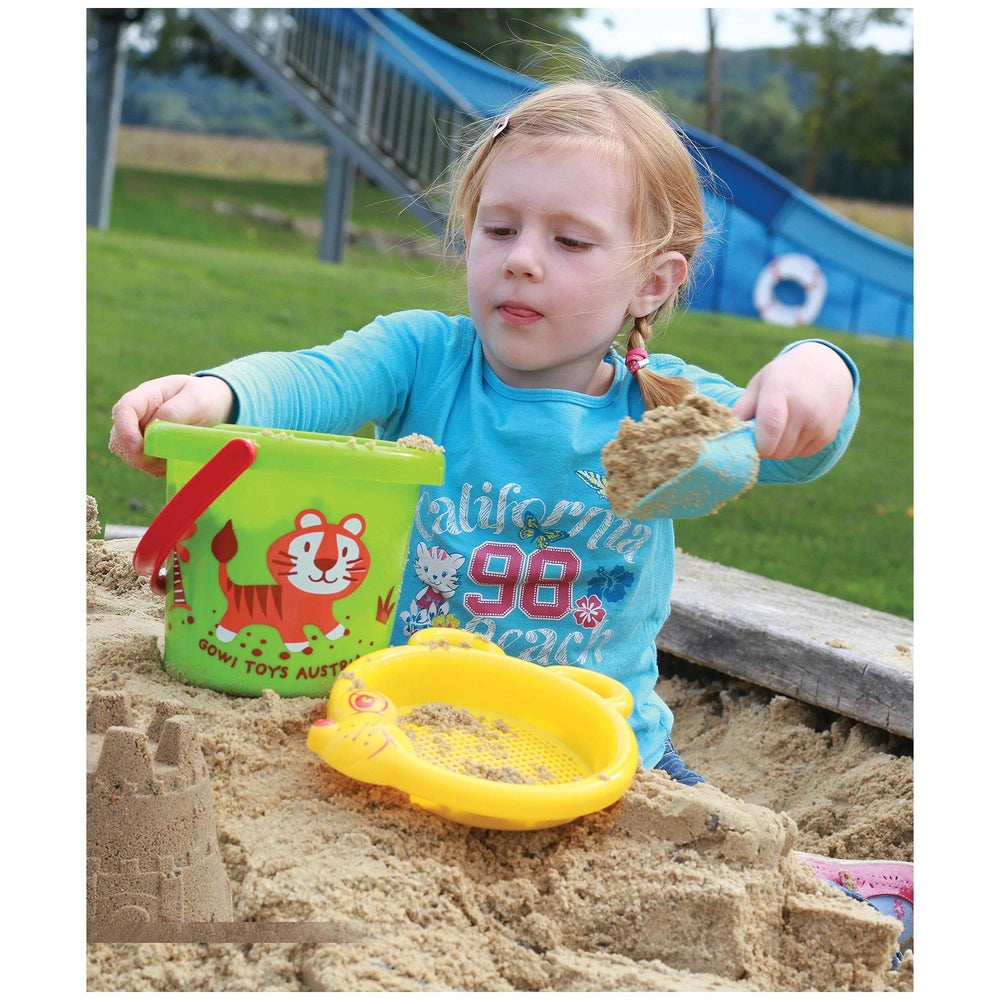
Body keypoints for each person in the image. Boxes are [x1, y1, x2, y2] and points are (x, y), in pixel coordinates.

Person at [110, 77, 911, 960]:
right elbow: (312, 380)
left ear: (654, 281)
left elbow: (796, 437)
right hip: (406, 719)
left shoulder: (668, 410)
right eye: (499, 230)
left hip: (606, 747)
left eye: (569, 240)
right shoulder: (424, 357)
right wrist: (216, 396)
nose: (522, 259)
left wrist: (813, 369)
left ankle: (852, 895)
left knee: (726, 862)